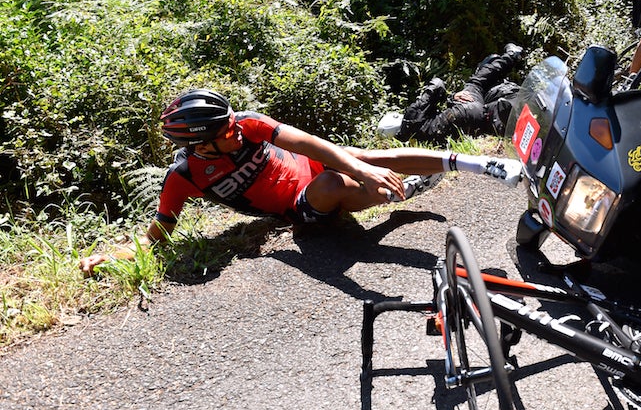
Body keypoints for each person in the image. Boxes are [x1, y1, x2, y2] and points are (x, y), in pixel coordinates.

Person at [78, 89, 523, 274]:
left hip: (312, 168)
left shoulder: (244, 123)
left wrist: (360, 165)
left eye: (232, 122)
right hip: (301, 205)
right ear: (201, 146)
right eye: (225, 133)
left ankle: (478, 165)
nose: (236, 130)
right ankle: (388, 197)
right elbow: (157, 236)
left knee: (356, 156)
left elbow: (308, 142)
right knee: (336, 180)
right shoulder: (185, 176)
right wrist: (110, 257)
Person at [394, 44, 522, 143]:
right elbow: (437, 85)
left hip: (470, 126)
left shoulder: (415, 139)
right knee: (475, 83)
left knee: (491, 112)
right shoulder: (409, 117)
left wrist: (452, 98)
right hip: (463, 111)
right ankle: (511, 56)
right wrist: (444, 97)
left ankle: (504, 117)